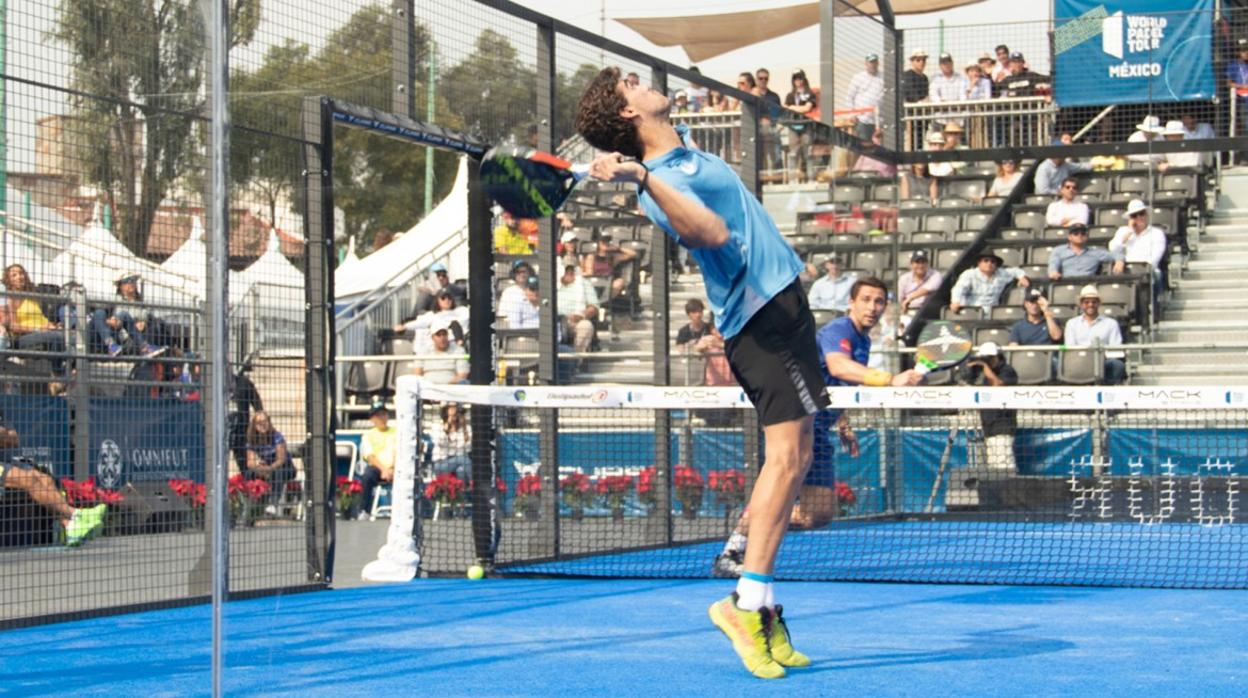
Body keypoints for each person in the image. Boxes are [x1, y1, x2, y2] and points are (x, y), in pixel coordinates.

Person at [577, 65, 839, 678]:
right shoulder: (658, 183)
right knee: (786, 459)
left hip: (783, 309)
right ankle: (743, 603)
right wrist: (638, 172)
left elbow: (656, 141)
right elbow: (710, 230)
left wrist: (621, 156)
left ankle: (763, 605)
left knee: (796, 459)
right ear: (627, 113)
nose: (647, 83)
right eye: (633, 85)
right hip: (762, 319)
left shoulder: (682, 145)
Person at [712, 276, 922, 572]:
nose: (872, 307)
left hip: (822, 428)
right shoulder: (839, 330)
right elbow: (837, 366)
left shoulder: (862, 339)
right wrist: (889, 379)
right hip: (794, 424)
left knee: (819, 514)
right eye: (866, 300)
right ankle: (732, 552)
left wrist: (842, 421)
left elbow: (830, 379)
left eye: (879, 302)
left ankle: (760, 526)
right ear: (851, 302)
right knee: (780, 494)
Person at [0, 417, 106, 546]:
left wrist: (4, 435)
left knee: (45, 479)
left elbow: (14, 439)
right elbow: (6, 436)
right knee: (28, 480)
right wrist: (4, 435)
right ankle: (76, 514)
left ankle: (71, 528)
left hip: (5, 459)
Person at [959, 342, 1019, 476]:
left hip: (1002, 425)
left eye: (989, 358)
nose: (987, 361)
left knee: (1003, 464)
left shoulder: (1007, 370)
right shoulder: (982, 374)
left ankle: (1009, 489)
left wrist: (986, 367)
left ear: (998, 357)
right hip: (987, 425)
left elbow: (998, 385)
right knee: (992, 467)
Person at [0, 264, 67, 373]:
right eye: (14, 275)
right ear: (8, 280)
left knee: (72, 339)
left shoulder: (31, 296)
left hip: (44, 331)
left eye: (21, 273)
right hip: (23, 337)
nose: (19, 277)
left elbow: (40, 318)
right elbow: (13, 326)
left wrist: (53, 325)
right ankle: (57, 374)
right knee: (58, 337)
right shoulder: (10, 297)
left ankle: (68, 373)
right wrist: (38, 328)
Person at [87, 274, 167, 359]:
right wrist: (108, 321)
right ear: (120, 286)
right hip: (115, 333)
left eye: (133, 280)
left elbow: (150, 317)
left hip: (132, 337)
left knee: (124, 315)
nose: (131, 283)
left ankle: (145, 347)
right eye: (127, 281)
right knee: (103, 313)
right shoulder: (115, 299)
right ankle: (111, 344)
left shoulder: (142, 303)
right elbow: (96, 307)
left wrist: (144, 323)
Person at [1062, 285, 1126, 384]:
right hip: (1079, 362)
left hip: (1104, 362)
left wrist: (1100, 358)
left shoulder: (1111, 323)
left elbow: (1115, 349)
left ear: (1098, 303)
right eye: (1086, 302)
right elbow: (1070, 349)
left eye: (1094, 302)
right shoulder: (1072, 323)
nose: (1090, 305)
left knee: (1117, 365)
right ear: (1081, 304)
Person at [243, 410, 297, 510]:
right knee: (248, 474)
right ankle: (251, 506)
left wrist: (269, 469)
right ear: (254, 426)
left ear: (269, 422)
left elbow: (281, 459)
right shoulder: (252, 440)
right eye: (259, 423)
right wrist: (259, 468)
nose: (263, 425)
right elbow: (250, 463)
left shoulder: (276, 436)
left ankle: (273, 503)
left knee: (278, 472)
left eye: (265, 421)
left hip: (285, 467)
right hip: (267, 468)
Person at [949, 250, 1030, 314]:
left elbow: (1016, 271)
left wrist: (1022, 277)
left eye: (992, 261)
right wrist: (955, 302)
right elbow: (959, 289)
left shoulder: (1001, 273)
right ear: (979, 263)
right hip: (973, 309)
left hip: (993, 311)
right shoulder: (969, 274)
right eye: (986, 260)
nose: (989, 263)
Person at [354, 399, 397, 519]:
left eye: (384, 414)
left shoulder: (397, 432)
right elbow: (370, 456)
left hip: (396, 467)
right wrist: (384, 469)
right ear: (372, 419)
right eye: (378, 415)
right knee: (367, 476)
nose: (382, 417)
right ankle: (364, 511)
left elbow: (398, 452)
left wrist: (392, 468)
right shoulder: (368, 435)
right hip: (378, 468)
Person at [1109, 199, 1167, 276]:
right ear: (1130, 218)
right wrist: (1129, 233)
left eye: (1141, 213)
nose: (1139, 217)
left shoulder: (1157, 233)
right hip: (1127, 270)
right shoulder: (1122, 231)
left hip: (1148, 271)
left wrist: (1139, 269)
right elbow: (1113, 249)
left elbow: (1155, 259)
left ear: (1146, 215)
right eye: (1134, 215)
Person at [1049, 222, 1124, 280]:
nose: (1080, 235)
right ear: (1069, 237)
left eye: (1083, 233)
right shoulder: (1059, 250)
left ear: (1087, 236)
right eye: (1076, 233)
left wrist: (1119, 261)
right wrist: (1053, 272)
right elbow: (1053, 265)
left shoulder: (1095, 252)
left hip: (1088, 284)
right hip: (1067, 282)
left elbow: (1116, 254)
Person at [556, 263, 601, 355]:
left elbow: (594, 307)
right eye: (566, 271)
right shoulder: (549, 282)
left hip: (573, 321)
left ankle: (575, 360)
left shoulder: (584, 283)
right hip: (554, 321)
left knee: (586, 326)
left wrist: (582, 315)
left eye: (571, 271)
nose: (569, 274)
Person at [228, 362, 265, 473]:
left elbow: (257, 403)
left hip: (241, 430)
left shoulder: (243, 382)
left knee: (244, 464)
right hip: (222, 432)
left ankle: (249, 486)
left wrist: (258, 423)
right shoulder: (215, 387)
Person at [411, 316, 469, 384]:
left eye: (444, 334)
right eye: (438, 335)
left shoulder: (459, 351)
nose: (442, 338)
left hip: (451, 389)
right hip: (427, 389)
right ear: (432, 337)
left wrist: (448, 386)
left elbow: (462, 375)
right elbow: (417, 374)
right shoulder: (423, 351)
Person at [783, 70, 818, 180]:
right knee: (793, 154)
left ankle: (810, 178)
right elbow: (785, 108)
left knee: (808, 153)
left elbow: (807, 108)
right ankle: (793, 179)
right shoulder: (790, 95)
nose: (798, 81)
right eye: (796, 78)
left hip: (806, 126)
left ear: (804, 79)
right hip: (793, 127)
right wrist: (794, 109)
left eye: (800, 78)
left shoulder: (809, 93)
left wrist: (793, 108)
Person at [580, 234, 637, 302]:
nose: (606, 243)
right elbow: (589, 272)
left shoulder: (613, 257)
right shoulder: (592, 256)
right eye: (603, 242)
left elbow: (633, 254)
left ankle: (604, 302)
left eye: (607, 241)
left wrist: (618, 248)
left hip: (608, 284)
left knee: (619, 282)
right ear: (599, 244)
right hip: (595, 283)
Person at [845, 53, 884, 140]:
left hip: (880, 121)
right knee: (864, 148)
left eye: (874, 62)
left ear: (878, 63)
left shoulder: (883, 77)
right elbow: (849, 97)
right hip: (863, 120)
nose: (872, 64)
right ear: (866, 63)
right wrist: (852, 114)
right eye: (870, 62)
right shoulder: (858, 78)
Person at [430, 403, 471, 483]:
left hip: (460, 463)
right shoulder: (438, 426)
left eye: (456, 411)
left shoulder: (466, 428)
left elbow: (468, 447)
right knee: (463, 459)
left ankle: (461, 493)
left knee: (461, 471)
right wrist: (446, 429)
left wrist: (464, 427)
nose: (454, 413)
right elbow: (440, 443)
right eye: (451, 409)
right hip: (441, 463)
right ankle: (475, 483)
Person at [498, 261, 535, 328]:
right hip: (512, 328)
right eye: (518, 272)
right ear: (514, 274)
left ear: (530, 274)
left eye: (524, 272)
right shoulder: (507, 292)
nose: (522, 274)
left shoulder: (535, 291)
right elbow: (502, 314)